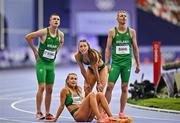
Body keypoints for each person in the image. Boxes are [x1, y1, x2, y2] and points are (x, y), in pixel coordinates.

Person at [25, 13, 64, 120]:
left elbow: (61, 42)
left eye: (58, 19)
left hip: (51, 64)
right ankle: (38, 112)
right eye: (54, 19)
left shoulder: (60, 34)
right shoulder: (44, 32)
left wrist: (56, 52)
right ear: (50, 22)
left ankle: (47, 113)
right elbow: (28, 37)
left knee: (50, 89)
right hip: (41, 63)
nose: (56, 21)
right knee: (41, 87)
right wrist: (35, 52)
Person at [104, 10, 140, 118]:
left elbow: (135, 48)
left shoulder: (132, 32)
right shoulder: (112, 32)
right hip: (116, 63)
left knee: (124, 87)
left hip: (126, 64)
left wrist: (138, 64)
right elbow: (107, 49)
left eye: (125, 16)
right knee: (110, 86)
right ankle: (104, 111)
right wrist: (107, 64)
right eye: (121, 16)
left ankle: (121, 112)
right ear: (117, 18)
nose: (123, 18)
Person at [50, 73, 115, 122]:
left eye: (75, 79)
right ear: (67, 81)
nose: (74, 80)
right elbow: (61, 106)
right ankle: (99, 117)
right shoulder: (65, 90)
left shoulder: (78, 90)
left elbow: (83, 103)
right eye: (71, 78)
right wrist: (56, 118)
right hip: (78, 116)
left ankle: (111, 117)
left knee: (100, 94)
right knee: (91, 94)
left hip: (88, 116)